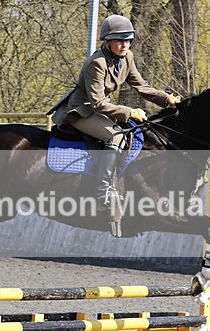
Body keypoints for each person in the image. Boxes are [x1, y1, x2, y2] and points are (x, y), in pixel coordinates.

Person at [51, 14, 181, 207]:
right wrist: (129, 112)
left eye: (128, 40)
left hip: (101, 108)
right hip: (81, 111)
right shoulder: (96, 63)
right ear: (107, 42)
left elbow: (142, 86)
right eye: (120, 41)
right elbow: (97, 103)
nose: (125, 45)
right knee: (116, 137)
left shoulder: (127, 57)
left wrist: (166, 99)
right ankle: (102, 191)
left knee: (135, 132)